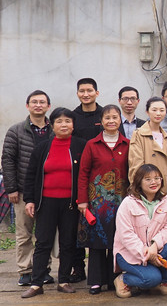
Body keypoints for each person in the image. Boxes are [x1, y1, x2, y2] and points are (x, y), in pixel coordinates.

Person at [20, 108, 87, 299]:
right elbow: (31, 175)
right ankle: (36, 283)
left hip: (71, 203)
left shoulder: (81, 146)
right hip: (46, 202)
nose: (63, 125)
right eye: (59, 121)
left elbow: (85, 174)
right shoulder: (42, 147)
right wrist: (30, 200)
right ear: (52, 125)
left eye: (67, 121)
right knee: (43, 242)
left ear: (73, 125)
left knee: (68, 242)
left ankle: (64, 281)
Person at [1, 90, 54, 286]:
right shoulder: (16, 130)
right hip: (24, 191)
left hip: (48, 191)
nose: (38, 105)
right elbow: (7, 160)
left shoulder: (54, 130)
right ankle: (25, 270)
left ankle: (43, 269)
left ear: (48, 106)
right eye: (34, 102)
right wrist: (11, 188)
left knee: (44, 234)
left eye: (42, 102)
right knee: (24, 233)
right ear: (27, 106)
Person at [76, 105, 130, 295]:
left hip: (122, 201)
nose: (111, 121)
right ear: (101, 121)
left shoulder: (128, 144)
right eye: (107, 118)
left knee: (118, 239)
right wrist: (82, 201)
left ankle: (114, 279)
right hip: (97, 201)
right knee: (97, 241)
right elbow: (83, 174)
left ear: (120, 120)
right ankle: (96, 281)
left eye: (115, 117)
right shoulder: (92, 144)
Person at [112, 164, 167, 298]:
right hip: (130, 254)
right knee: (151, 279)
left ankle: (163, 282)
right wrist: (146, 253)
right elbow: (126, 235)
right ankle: (123, 279)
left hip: (154, 250)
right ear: (139, 182)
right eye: (148, 179)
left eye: (157, 178)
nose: (154, 182)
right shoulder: (128, 203)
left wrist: (154, 246)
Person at [71, 78, 102, 282]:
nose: (86, 94)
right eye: (82, 91)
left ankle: (103, 270)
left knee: (101, 223)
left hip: (102, 178)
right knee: (77, 225)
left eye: (89, 90)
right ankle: (78, 268)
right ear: (78, 94)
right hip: (78, 175)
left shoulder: (105, 114)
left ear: (96, 93)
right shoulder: (72, 117)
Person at [129, 97, 167, 196]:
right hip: (145, 190)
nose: (158, 113)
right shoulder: (139, 134)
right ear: (147, 112)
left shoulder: (166, 137)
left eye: (162, 110)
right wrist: (137, 189)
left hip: (163, 189)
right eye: (154, 110)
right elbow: (135, 164)